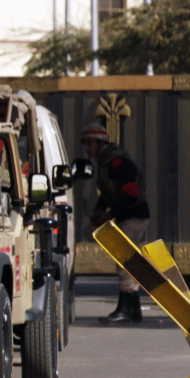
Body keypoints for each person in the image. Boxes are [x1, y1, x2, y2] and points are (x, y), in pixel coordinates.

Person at [81, 123, 150, 324]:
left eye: (90, 143)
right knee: (125, 261)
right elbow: (110, 193)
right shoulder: (106, 163)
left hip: (134, 217)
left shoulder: (117, 163)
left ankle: (128, 309)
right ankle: (131, 309)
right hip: (126, 216)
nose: (87, 148)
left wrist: (109, 213)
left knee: (126, 262)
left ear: (100, 143)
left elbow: (131, 194)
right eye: (85, 143)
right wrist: (101, 211)